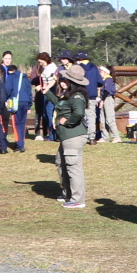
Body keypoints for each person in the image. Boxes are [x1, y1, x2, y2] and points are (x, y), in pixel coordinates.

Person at [53, 65, 90, 208]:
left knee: (73, 167)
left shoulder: (77, 97)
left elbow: (79, 113)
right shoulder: (70, 95)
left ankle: (77, 200)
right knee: (60, 162)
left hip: (73, 137)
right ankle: (67, 194)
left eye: (66, 79)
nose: (63, 81)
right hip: (67, 137)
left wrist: (67, 122)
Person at [0, 50, 29, 150]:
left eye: (9, 58)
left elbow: (7, 89)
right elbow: (29, 91)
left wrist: (6, 99)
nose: (7, 60)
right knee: (22, 123)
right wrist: (30, 104)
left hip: (15, 102)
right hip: (25, 102)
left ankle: (19, 144)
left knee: (15, 124)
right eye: (6, 58)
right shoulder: (24, 77)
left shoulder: (11, 77)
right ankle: (22, 142)